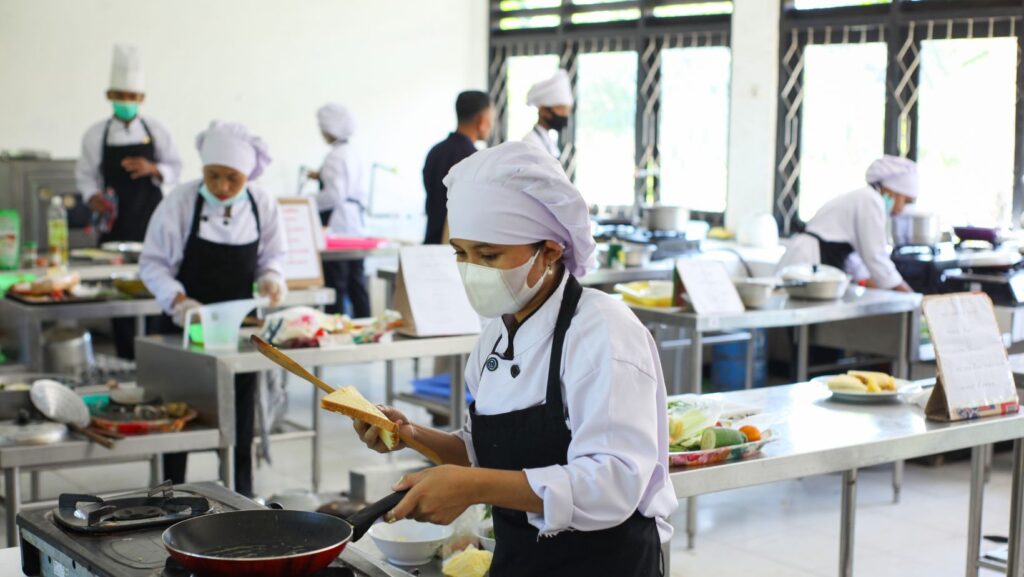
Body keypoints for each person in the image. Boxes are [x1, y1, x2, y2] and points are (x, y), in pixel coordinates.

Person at [355, 142, 676, 576]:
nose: (472, 270)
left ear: (550, 251)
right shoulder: (495, 335)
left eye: (488, 255)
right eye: (461, 253)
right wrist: (412, 435)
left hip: (605, 563)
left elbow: (613, 484)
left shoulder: (602, 333)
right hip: (520, 560)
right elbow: (485, 452)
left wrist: (473, 487)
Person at [139, 121, 287, 497]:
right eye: (213, 175)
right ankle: (168, 499)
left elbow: (273, 256)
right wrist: (177, 300)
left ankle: (240, 498)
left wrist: (271, 278)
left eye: (232, 178)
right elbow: (152, 263)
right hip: (183, 328)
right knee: (178, 420)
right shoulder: (180, 202)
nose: (221, 186)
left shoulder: (262, 204)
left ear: (248, 175)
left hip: (237, 333)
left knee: (239, 422)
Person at [75, 44, 182, 359]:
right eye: (120, 95)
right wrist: (92, 197)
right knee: (119, 293)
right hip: (115, 226)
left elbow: (176, 168)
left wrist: (153, 169)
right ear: (109, 96)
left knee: (155, 286)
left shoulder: (157, 131)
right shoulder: (95, 135)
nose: (126, 101)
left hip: (151, 221)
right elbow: (85, 175)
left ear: (142, 99)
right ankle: (125, 356)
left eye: (132, 96)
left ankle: (157, 356)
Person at [777, 155, 919, 292]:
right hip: (807, 260)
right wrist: (911, 296)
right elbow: (877, 258)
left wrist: (887, 288)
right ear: (893, 190)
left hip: (815, 260)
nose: (902, 209)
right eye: (906, 201)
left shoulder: (864, 198)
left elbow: (856, 262)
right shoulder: (871, 200)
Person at [308, 103, 370, 317]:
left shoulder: (335, 155)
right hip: (355, 225)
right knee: (357, 282)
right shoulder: (352, 152)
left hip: (339, 225)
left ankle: (335, 326)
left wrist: (306, 202)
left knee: (336, 283)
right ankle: (366, 324)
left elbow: (334, 195)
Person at [422, 91, 494, 245]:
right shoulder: (475, 160)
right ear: (481, 121)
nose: (492, 126)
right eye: (491, 120)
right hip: (456, 249)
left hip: (430, 244)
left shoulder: (435, 152)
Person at [523, 69, 573, 158]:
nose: (565, 115)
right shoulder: (530, 143)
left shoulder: (548, 140)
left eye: (567, 111)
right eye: (561, 109)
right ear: (543, 110)